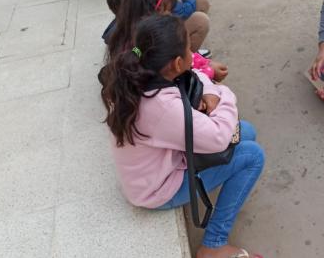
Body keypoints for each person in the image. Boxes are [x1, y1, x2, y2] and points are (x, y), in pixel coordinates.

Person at [100, 15, 263, 258]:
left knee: (245, 131)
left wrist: (209, 90)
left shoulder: (141, 74)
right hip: (157, 190)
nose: (192, 53)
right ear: (177, 63)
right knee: (252, 156)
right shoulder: (161, 107)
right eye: (189, 48)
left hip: (159, 166)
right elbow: (218, 137)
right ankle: (214, 245)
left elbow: (195, 76)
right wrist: (222, 94)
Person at [104, 0, 228, 81]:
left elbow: (186, 58)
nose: (171, 16)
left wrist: (206, 63)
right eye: (166, 12)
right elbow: (179, 75)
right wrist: (209, 72)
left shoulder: (141, 36)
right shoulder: (151, 50)